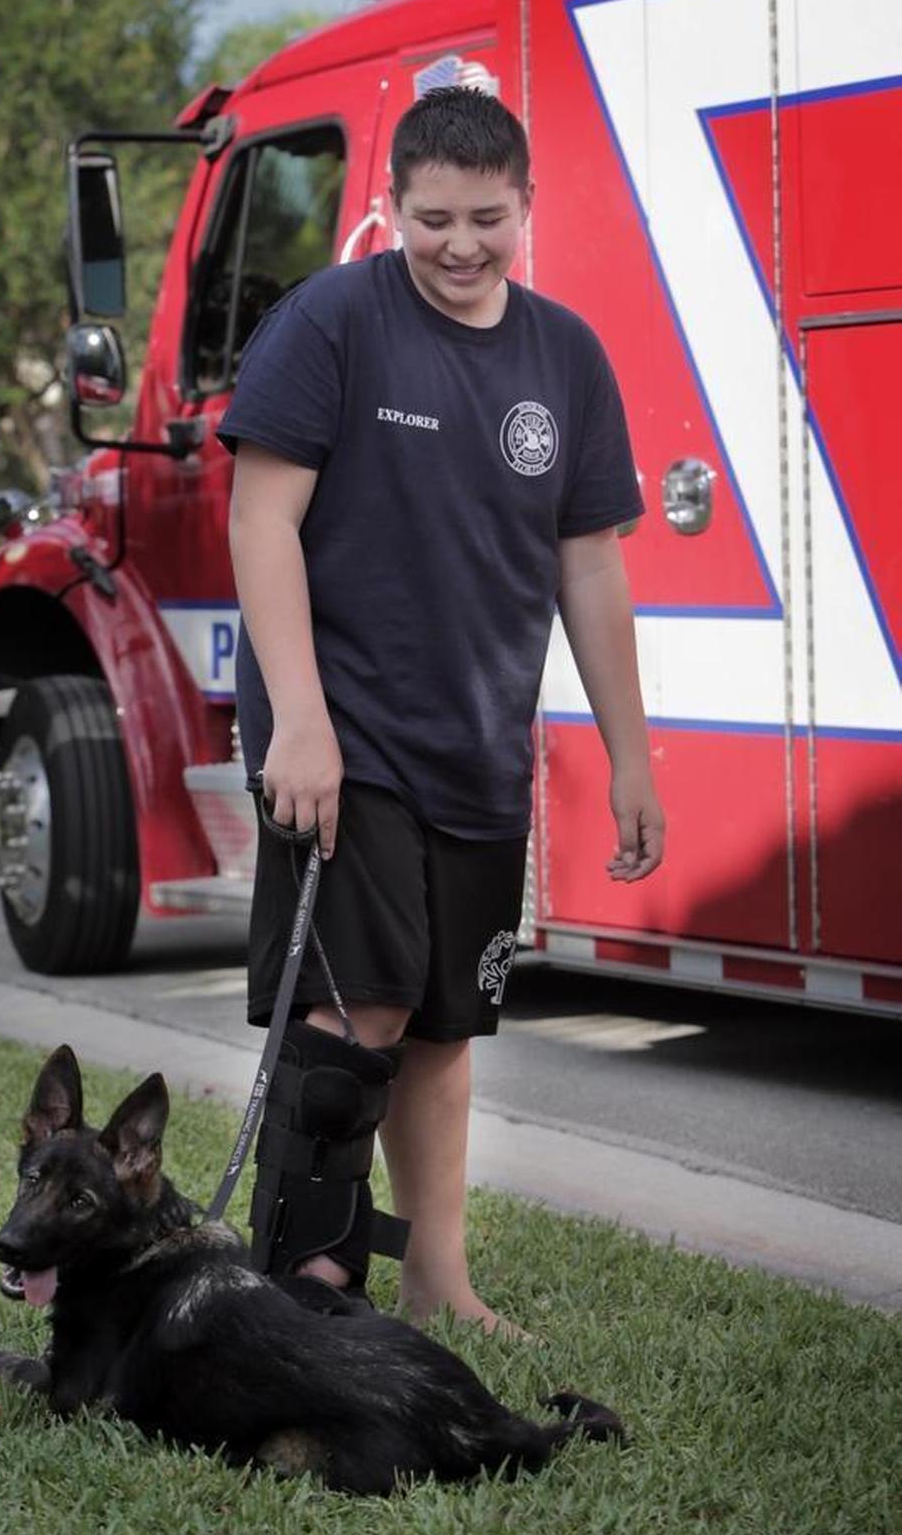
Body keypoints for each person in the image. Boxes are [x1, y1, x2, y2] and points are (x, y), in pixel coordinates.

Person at [219, 85, 665, 1337]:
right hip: (344, 733)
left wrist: (632, 757)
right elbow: (261, 521)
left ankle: (439, 1276)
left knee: (445, 1022)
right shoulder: (330, 323)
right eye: (431, 221)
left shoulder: (565, 355)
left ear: (528, 207)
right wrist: (297, 719)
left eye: (487, 219)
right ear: (386, 210)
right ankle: (306, 1289)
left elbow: (590, 564)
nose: (461, 245)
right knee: (353, 1007)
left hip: (479, 746)